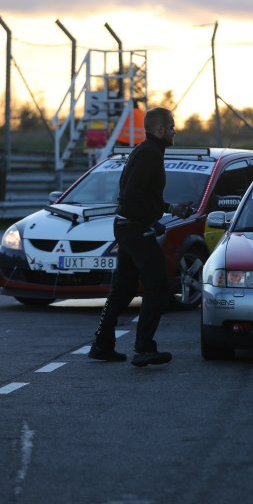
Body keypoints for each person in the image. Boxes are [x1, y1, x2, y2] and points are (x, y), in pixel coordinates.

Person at [88, 107, 192, 367]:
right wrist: (152, 221)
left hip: (127, 227)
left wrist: (170, 209)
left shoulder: (145, 151)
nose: (174, 131)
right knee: (158, 287)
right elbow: (132, 196)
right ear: (160, 130)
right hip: (135, 230)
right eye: (171, 127)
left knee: (123, 289)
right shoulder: (150, 155)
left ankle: (102, 344)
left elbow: (144, 196)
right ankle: (144, 348)